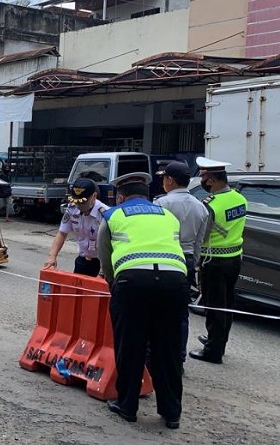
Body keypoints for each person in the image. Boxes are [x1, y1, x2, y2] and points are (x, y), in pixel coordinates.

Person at [97, 172, 188, 430]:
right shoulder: (169, 216)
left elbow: (105, 257)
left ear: (121, 196)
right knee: (167, 349)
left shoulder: (113, 216)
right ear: (147, 196)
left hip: (133, 284)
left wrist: (115, 283)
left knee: (131, 345)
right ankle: (172, 413)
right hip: (174, 284)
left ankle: (127, 406)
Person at [189, 157, 248, 365]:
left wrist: (196, 260)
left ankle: (213, 351)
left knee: (214, 306)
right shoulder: (239, 198)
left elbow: (202, 236)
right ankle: (219, 340)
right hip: (234, 259)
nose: (202, 182)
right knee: (227, 304)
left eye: (204, 178)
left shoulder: (210, 205)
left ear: (212, 180)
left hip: (213, 261)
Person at [153, 161, 209, 367]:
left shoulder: (161, 204)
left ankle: (156, 357)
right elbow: (199, 243)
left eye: (163, 178)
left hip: (164, 259)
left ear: (170, 180)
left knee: (156, 310)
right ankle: (179, 356)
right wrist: (192, 265)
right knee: (180, 313)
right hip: (185, 260)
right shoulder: (201, 207)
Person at [43, 178, 109, 277]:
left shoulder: (105, 214)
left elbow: (110, 244)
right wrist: (52, 256)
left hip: (102, 264)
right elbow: (62, 233)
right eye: (76, 202)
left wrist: (103, 271)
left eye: (83, 202)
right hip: (82, 261)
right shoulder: (72, 209)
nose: (79, 205)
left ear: (94, 196)